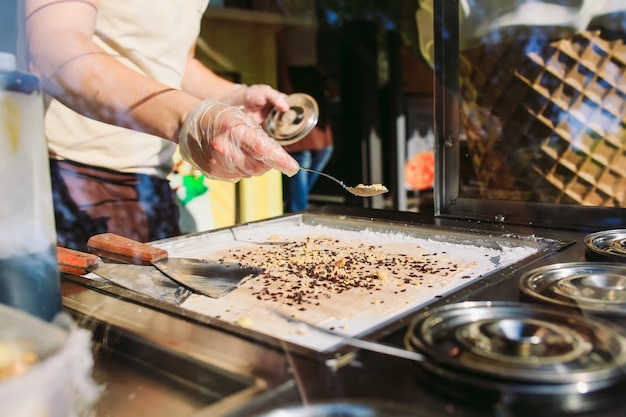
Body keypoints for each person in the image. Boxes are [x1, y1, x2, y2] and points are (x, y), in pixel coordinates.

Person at [22, 0, 299, 250]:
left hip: (153, 181)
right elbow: (52, 47)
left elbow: (180, 64)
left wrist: (233, 97)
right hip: (67, 177)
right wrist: (190, 118)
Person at [276, 0, 337, 212]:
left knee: (325, 148)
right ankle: (298, 209)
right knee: (302, 152)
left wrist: (325, 78)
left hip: (311, 77)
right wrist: (287, 91)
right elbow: (280, 50)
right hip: (292, 77)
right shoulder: (281, 5)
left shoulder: (311, 7)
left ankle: (297, 201)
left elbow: (307, 49)